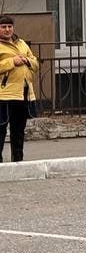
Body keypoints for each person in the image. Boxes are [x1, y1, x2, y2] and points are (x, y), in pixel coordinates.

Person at [0, 16, 38, 162]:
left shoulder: (21, 43)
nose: (7, 29)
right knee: (1, 131)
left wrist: (27, 60)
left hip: (23, 93)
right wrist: (12, 62)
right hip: (4, 95)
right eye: (3, 27)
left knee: (18, 132)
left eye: (10, 26)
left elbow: (36, 64)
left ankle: (18, 162)